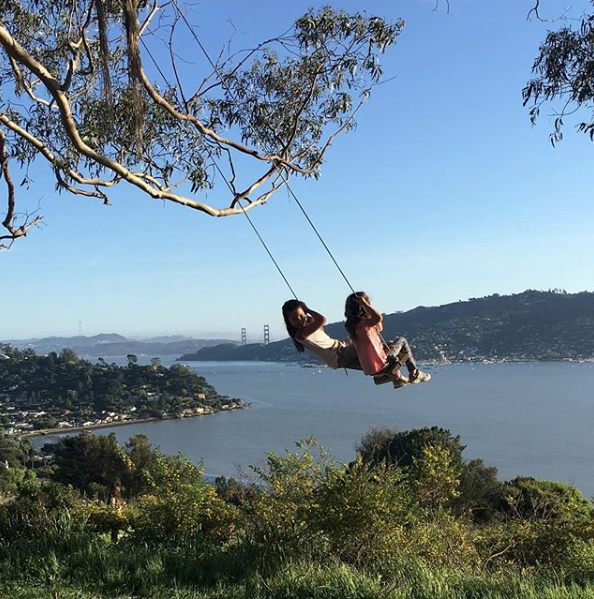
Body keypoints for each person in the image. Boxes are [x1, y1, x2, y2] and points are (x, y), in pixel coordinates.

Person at [344, 292, 431, 389]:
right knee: (402, 340)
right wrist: (365, 305)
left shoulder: (350, 326)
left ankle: (397, 378)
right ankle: (414, 373)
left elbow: (379, 327)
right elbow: (378, 318)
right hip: (382, 364)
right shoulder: (365, 323)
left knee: (390, 343)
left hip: (369, 368)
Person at [282, 299, 361, 370]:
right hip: (338, 356)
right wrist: (306, 309)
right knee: (363, 340)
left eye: (301, 316)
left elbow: (319, 324)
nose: (299, 320)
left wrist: (308, 317)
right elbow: (322, 319)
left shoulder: (309, 326)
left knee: (360, 333)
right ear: (288, 321)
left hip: (340, 347)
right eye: (294, 319)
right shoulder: (300, 335)